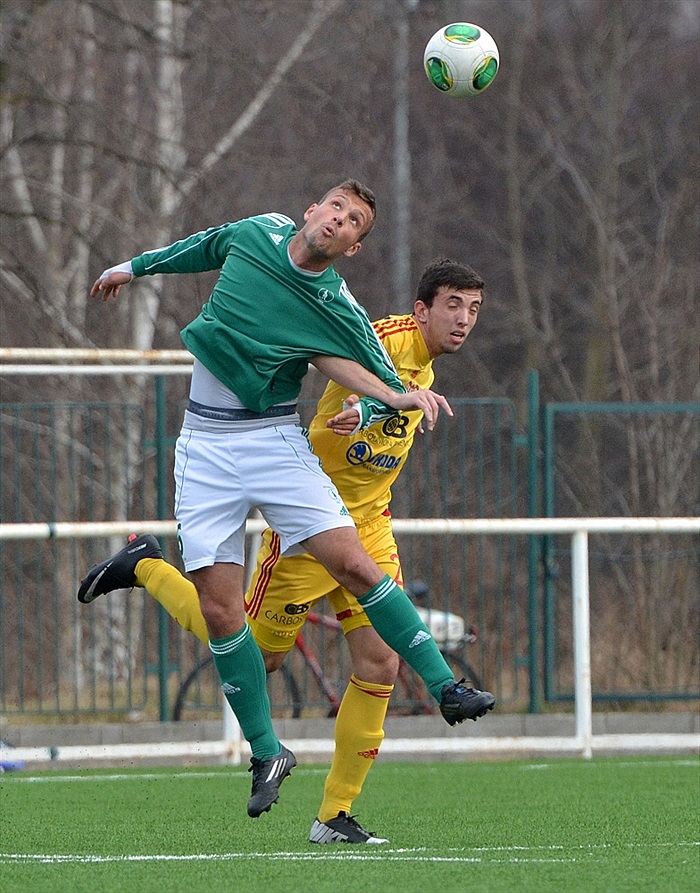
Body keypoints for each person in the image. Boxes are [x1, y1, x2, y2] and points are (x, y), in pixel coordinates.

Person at [87, 181, 492, 820]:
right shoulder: (259, 235)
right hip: (206, 444)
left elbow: (349, 364)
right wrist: (133, 267)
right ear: (312, 211)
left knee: (372, 625)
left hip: (284, 451)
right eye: (337, 207)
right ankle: (150, 574)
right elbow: (205, 246)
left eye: (356, 220)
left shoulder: (337, 304)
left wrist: (387, 398)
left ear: (356, 246)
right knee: (238, 632)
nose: (341, 220)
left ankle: (430, 701)